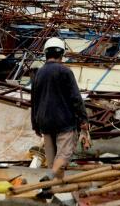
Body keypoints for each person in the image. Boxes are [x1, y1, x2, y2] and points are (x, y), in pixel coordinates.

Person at [31, 37, 89, 181]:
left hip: (45, 122)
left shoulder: (39, 73)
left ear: (46, 53)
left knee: (52, 161)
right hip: (64, 122)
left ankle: (53, 189)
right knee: (63, 156)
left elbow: (34, 101)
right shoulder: (65, 71)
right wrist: (83, 120)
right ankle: (51, 176)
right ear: (61, 54)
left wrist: (35, 124)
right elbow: (76, 98)